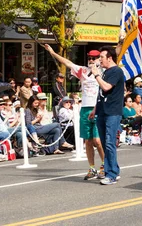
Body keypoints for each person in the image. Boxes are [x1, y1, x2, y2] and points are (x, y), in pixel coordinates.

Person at [44, 45, 106, 181]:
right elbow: (67, 62)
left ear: (99, 59)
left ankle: (104, 165)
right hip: (84, 108)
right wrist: (52, 52)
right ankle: (91, 168)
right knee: (88, 141)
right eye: (89, 57)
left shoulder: (104, 72)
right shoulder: (82, 71)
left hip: (98, 108)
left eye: (94, 58)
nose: (91, 60)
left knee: (98, 141)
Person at [92, 45, 126, 186]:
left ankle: (111, 174)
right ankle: (113, 170)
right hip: (102, 110)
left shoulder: (116, 71)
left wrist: (96, 74)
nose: (99, 60)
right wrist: (95, 109)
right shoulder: (105, 72)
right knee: (105, 143)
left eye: (101, 57)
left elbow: (106, 87)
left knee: (110, 142)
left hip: (112, 111)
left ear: (109, 58)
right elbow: (101, 93)